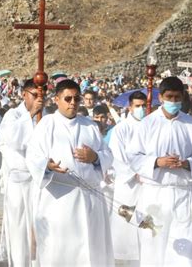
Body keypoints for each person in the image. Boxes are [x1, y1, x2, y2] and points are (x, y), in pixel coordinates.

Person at [25, 79, 114, 266]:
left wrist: (95, 157)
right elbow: (32, 156)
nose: (73, 102)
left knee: (91, 249)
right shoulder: (47, 125)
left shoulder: (90, 125)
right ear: (57, 99)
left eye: (76, 98)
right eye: (68, 98)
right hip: (59, 199)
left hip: (89, 197)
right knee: (61, 250)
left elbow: (108, 154)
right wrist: (47, 166)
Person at [127, 77, 192, 267]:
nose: (173, 102)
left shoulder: (190, 124)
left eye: (177, 97)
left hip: (181, 193)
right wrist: (157, 162)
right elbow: (133, 155)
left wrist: (187, 163)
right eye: (169, 97)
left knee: (183, 250)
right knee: (153, 246)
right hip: (155, 192)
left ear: (182, 97)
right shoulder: (147, 124)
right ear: (161, 97)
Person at [0, 79, 43, 266]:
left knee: (40, 224)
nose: (39, 99)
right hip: (19, 179)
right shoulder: (13, 115)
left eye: (42, 95)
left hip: (40, 179)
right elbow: (12, 139)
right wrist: (31, 114)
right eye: (35, 95)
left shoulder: (46, 116)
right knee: (18, 226)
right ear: (24, 94)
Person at [108, 91, 146, 264]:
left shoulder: (151, 126)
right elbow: (116, 156)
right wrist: (133, 174)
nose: (141, 109)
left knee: (146, 224)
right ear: (130, 107)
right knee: (126, 229)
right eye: (137, 106)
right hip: (129, 184)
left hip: (148, 182)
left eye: (144, 105)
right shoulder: (121, 128)